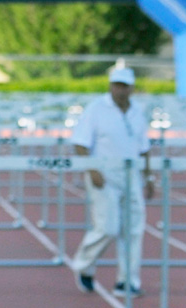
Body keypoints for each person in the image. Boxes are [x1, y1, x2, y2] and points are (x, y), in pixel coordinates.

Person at [68, 66, 154, 295]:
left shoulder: (138, 111)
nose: (119, 90)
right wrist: (92, 170)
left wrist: (149, 176)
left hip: (131, 173)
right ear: (110, 86)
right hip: (105, 173)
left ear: (131, 88)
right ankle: (84, 265)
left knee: (133, 229)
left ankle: (127, 281)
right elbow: (80, 143)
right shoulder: (96, 109)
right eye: (116, 85)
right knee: (107, 227)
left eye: (124, 86)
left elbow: (144, 148)